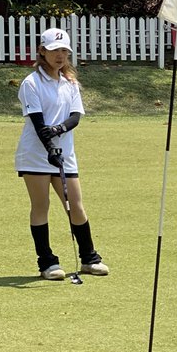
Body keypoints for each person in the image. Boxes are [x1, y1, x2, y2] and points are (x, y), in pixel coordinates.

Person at [14, 27, 108, 279]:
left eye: (64, 51)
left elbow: (75, 116)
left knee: (75, 205)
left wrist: (59, 129)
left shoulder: (70, 83)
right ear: (42, 51)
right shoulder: (31, 83)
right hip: (35, 155)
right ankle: (47, 263)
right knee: (41, 205)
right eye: (55, 50)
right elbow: (38, 123)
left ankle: (89, 258)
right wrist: (50, 147)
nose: (60, 55)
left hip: (64, 155)